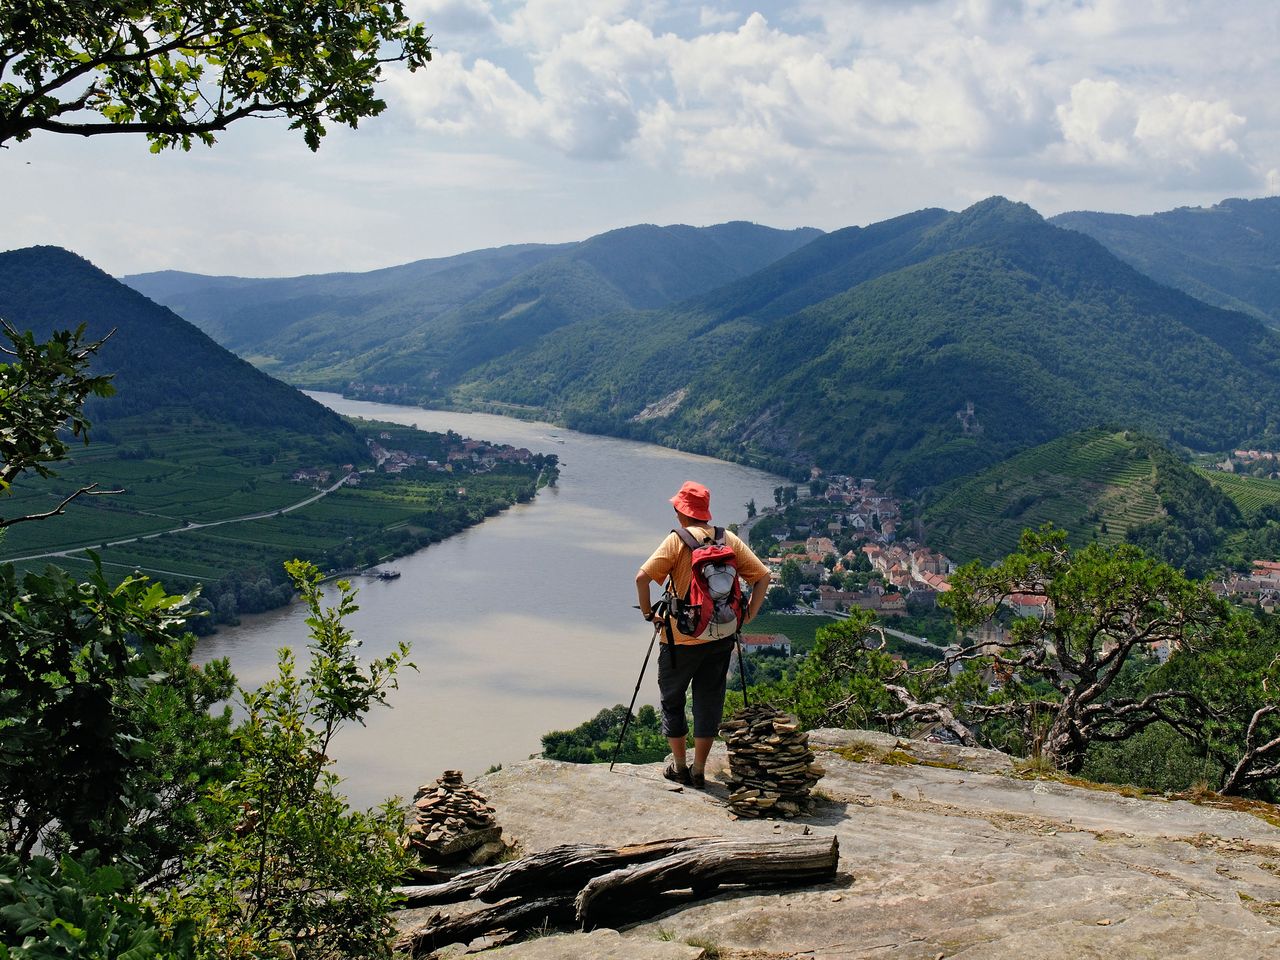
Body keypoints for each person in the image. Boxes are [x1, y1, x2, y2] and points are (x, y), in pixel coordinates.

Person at [635, 480, 770, 788]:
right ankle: (699, 770)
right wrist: (749, 613)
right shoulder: (728, 539)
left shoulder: (676, 541)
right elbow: (763, 576)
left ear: (682, 511)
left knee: (672, 700)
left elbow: (642, 578)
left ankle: (680, 767)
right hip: (722, 636)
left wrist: (648, 614)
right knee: (709, 702)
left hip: (680, 639)